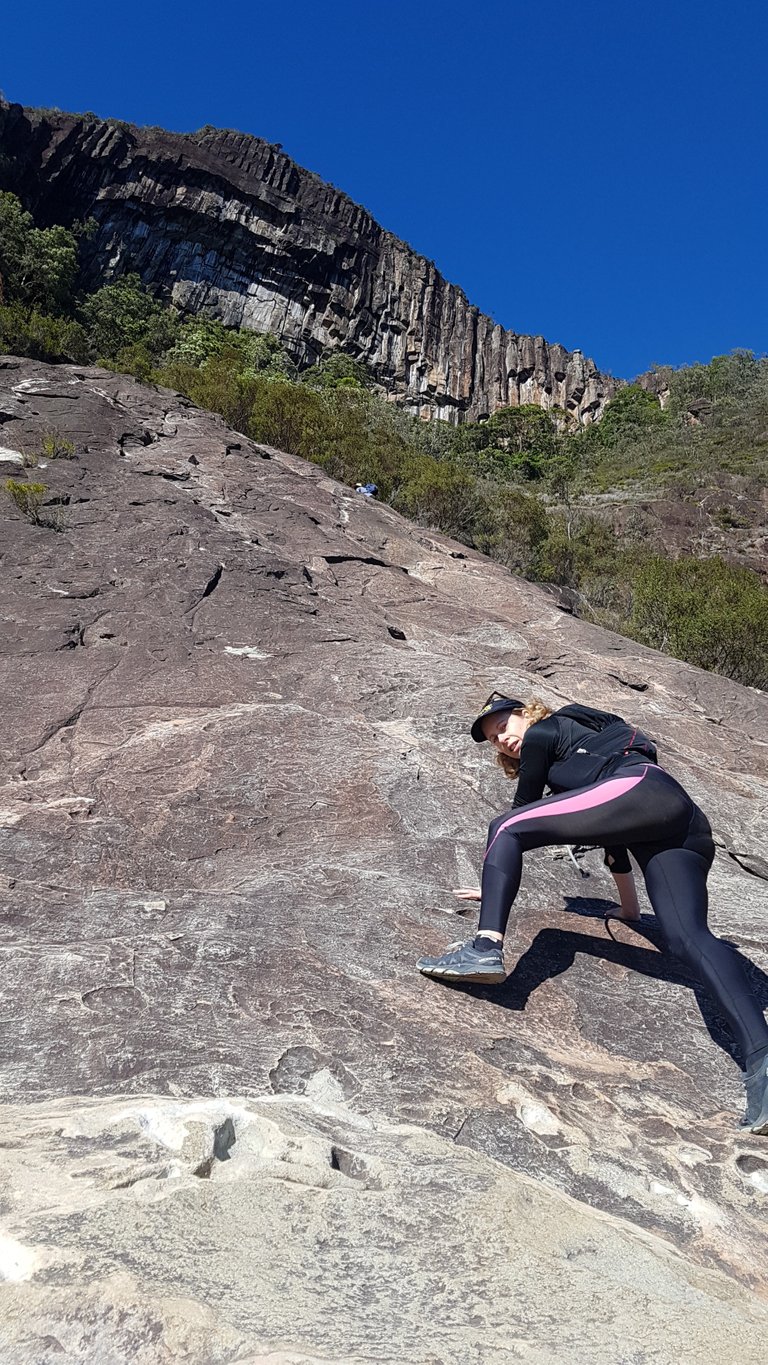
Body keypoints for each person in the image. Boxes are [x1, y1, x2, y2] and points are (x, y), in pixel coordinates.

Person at [417, 693, 768, 1135]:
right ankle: (762, 1061)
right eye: (492, 739)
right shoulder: (588, 758)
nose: (502, 740)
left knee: (504, 828)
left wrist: (493, 887)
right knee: (687, 938)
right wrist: (628, 908)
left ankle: (484, 947)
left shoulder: (548, 730)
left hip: (638, 789)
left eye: (504, 726)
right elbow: (614, 843)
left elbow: (518, 815)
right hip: (676, 818)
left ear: (528, 714)